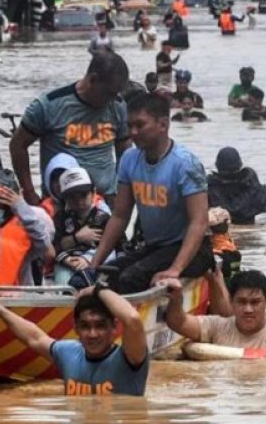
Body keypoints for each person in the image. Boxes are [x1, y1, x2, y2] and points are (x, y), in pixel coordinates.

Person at [91, 94, 213, 293]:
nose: (133, 132)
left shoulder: (185, 164)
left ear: (163, 124)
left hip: (193, 249)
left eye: (140, 125)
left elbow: (199, 222)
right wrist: (94, 263)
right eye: (130, 126)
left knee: (131, 278)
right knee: (106, 275)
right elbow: (120, 215)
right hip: (155, 247)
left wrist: (175, 269)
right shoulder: (129, 160)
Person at [0, 280, 149, 396]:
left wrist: (97, 289)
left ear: (114, 327)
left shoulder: (130, 357)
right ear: (75, 328)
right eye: (85, 326)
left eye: (100, 326)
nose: (92, 334)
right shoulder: (69, 353)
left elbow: (133, 319)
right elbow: (35, 337)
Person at [11, 50, 129, 207]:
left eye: (116, 94)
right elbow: (17, 145)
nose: (111, 100)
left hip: (105, 202)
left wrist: (121, 193)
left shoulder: (117, 105)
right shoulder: (49, 104)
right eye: (108, 93)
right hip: (62, 203)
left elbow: (125, 151)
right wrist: (30, 194)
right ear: (93, 80)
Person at [163, 271, 266, 350]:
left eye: (255, 302)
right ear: (231, 302)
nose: (248, 309)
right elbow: (179, 322)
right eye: (241, 302)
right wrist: (176, 299)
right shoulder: (217, 326)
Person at [52, 168, 115, 287]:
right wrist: (66, 259)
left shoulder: (102, 217)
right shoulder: (60, 219)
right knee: (63, 286)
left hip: (98, 261)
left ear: (93, 193)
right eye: (72, 197)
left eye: (83, 195)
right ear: (64, 199)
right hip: (67, 261)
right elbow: (53, 245)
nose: (79, 201)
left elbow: (115, 245)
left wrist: (88, 259)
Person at [0, 169, 52, 286]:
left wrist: (20, 207)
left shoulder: (28, 223)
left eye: (5, 197)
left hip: (18, 294)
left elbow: (43, 245)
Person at [207, 146, 266, 224]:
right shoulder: (250, 182)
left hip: (223, 228)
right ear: (240, 165)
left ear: (217, 165)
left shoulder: (211, 186)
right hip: (249, 226)